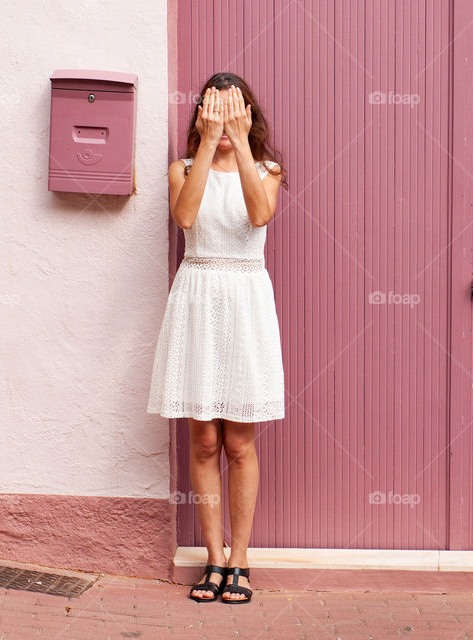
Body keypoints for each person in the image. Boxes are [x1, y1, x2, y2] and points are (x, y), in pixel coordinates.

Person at [147, 72, 287, 604]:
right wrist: (208, 143)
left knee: (240, 441)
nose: (224, 120)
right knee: (204, 439)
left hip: (246, 301)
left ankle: (241, 560)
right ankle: (212, 557)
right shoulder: (182, 169)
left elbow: (259, 213)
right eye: (214, 110)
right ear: (201, 114)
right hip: (199, 297)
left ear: (248, 115)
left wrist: (243, 145)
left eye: (234, 111)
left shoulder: (269, 169)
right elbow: (184, 217)